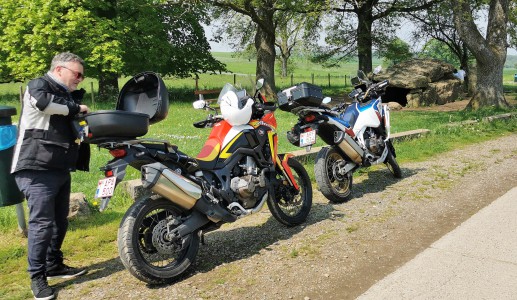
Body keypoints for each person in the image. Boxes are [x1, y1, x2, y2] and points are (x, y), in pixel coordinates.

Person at [10, 52, 90, 300]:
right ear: (59, 70)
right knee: (42, 225)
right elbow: (43, 104)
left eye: (82, 76)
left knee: (59, 221)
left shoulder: (65, 95)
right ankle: (37, 278)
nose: (80, 79)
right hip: (35, 167)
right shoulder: (39, 85)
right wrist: (76, 107)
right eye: (77, 74)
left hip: (58, 167)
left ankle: (54, 265)